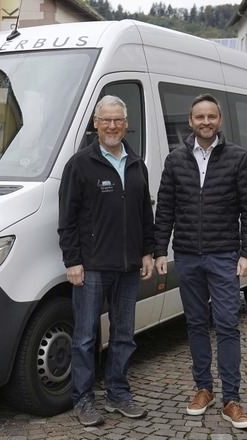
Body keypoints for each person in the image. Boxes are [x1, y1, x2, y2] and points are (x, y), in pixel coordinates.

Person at [154, 93, 247, 429]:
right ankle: (204, 388)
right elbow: (165, 209)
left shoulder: (238, 158)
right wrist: (161, 251)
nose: (205, 122)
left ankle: (232, 398)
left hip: (224, 255)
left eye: (211, 117)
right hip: (186, 256)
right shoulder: (175, 160)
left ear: (219, 120)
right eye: (199, 117)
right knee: (196, 324)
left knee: (228, 324)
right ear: (190, 121)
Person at [58, 95, 155, 427]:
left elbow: (145, 212)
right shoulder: (80, 164)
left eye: (118, 120)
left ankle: (117, 394)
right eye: (106, 120)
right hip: (92, 266)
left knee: (124, 335)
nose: (112, 126)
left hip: (128, 266)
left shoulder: (136, 162)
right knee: (85, 337)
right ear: (95, 124)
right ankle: (83, 398)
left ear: (126, 123)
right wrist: (72, 260)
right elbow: (67, 219)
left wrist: (147, 250)